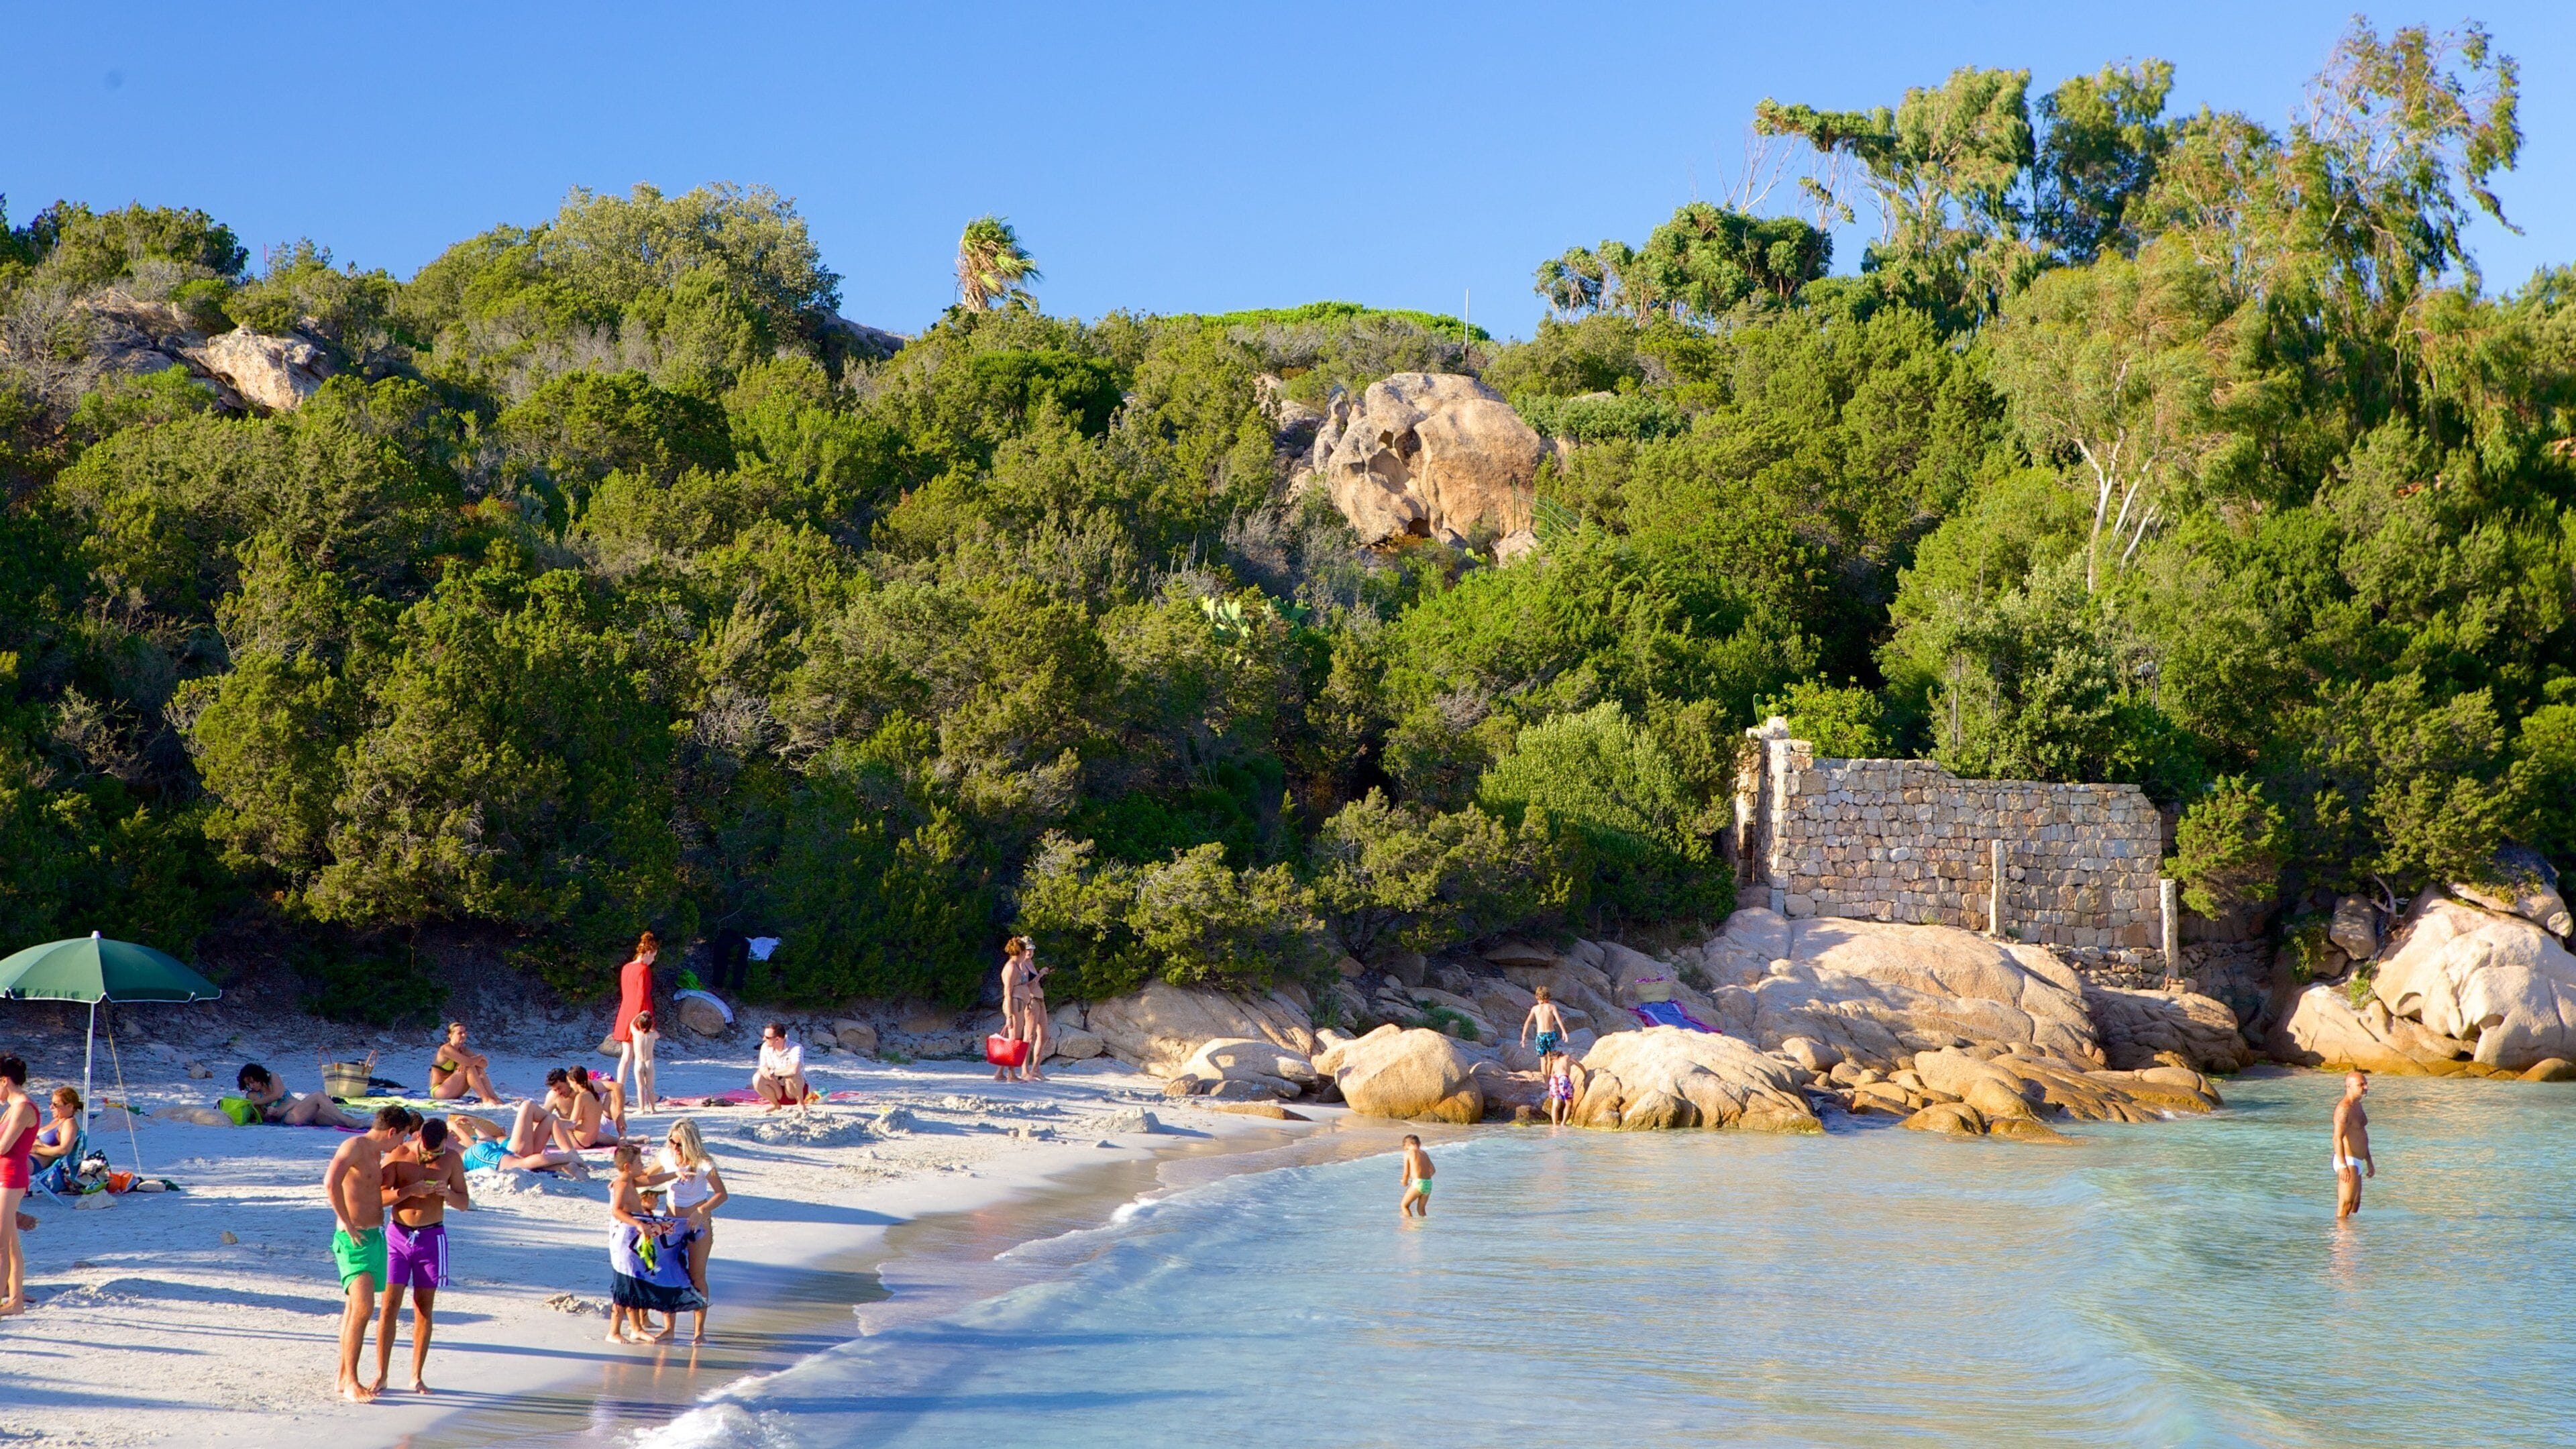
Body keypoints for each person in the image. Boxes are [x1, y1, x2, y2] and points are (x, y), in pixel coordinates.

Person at [375, 1114, 470, 1395]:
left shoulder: (452, 1160)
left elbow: (464, 1202)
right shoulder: (399, 1154)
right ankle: (381, 1374)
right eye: (429, 1153)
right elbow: (379, 1197)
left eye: (438, 1151)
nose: (432, 1158)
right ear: (418, 1138)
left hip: (432, 1237)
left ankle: (416, 1376)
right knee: (389, 1306)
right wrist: (409, 1190)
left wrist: (447, 1195)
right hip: (398, 1236)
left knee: (423, 1307)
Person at [324, 1106, 408, 1401]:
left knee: (352, 1310)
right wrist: (346, 1223)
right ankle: (352, 1383)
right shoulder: (355, 1147)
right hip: (353, 1239)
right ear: (391, 1132)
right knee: (362, 1308)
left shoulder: (376, 1153)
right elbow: (330, 1182)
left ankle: (342, 1376)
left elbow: (370, 1192)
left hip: (374, 1237)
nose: (401, 1144)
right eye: (401, 1137)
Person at [606, 1141, 703, 1344]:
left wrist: (676, 1174)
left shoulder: (632, 1180)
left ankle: (636, 1328)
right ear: (628, 1167)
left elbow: (651, 1179)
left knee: (635, 1284)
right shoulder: (622, 1184)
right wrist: (638, 1224)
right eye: (639, 1162)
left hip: (635, 1241)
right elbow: (616, 1211)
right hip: (624, 1240)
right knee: (624, 1286)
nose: (643, 1165)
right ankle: (614, 1331)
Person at [647, 1118, 729, 1343]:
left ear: (690, 1143)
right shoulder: (666, 1156)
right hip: (671, 1222)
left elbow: (722, 1194)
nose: (674, 1147)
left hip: (697, 1224)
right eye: (672, 1142)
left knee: (696, 1276)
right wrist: (622, 1182)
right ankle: (669, 1329)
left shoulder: (703, 1162)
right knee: (668, 1274)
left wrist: (702, 1210)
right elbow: (645, 1177)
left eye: (679, 1144)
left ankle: (699, 1332)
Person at [0, 1055, 36, 1316]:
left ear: (4, 1081)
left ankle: (13, 1300)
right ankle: (15, 1299)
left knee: (2, 1244)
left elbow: (4, 1146)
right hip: (6, 1176)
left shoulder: (23, 1107)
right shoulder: (14, 1107)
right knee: (10, 1243)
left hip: (10, 1178)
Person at [612, 932, 658, 1124]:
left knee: (626, 1057)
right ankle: (646, 1099)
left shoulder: (626, 968)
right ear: (648, 952)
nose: (654, 959)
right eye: (654, 955)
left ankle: (618, 1092)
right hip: (639, 1011)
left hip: (625, 1010)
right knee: (641, 1057)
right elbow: (643, 995)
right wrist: (645, 1018)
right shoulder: (644, 969)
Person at [239, 1063, 359, 1129]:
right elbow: (263, 1118)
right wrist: (268, 1114)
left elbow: (278, 1094)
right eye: (248, 1084)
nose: (251, 1086)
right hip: (289, 1116)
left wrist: (257, 1103)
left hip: (301, 1108)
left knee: (338, 1119)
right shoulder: (252, 1095)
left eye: (253, 1082)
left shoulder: (273, 1077)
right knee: (318, 1095)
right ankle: (350, 1122)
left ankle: (366, 1124)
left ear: (259, 1077)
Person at [492, 1097, 589, 1178]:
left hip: (523, 1154)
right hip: (513, 1153)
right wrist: (495, 1134)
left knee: (552, 1119)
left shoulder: (497, 1140)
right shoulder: (494, 1139)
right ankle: (571, 1154)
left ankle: (570, 1157)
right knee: (527, 1105)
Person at [425, 1023, 504, 1105]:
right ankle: (485, 1098)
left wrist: (474, 1061)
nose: (464, 1035)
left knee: (477, 1068)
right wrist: (480, 1056)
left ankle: (493, 1097)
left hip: (454, 1089)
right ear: (450, 1035)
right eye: (460, 1033)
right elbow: (469, 1063)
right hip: (439, 1091)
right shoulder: (446, 1049)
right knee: (469, 1067)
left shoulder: (464, 1050)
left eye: (465, 1032)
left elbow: (484, 1065)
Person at [2333, 1069, 2375, 1219]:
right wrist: (2343, 1166)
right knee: (2345, 1205)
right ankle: (2340, 1241)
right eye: (2361, 1084)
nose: (2366, 1087)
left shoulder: (2358, 1106)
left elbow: (2362, 1135)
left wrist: (2369, 1161)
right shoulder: (2344, 1109)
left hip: (2358, 1159)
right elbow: (2337, 1138)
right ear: (2349, 1086)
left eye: (2366, 1084)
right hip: (2347, 1160)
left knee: (2354, 1207)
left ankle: (2349, 1237)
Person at [1010, 938, 1052, 1083]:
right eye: (1027, 949)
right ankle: (1024, 1070)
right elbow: (1026, 984)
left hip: (1040, 999)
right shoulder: (1020, 965)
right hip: (1031, 1000)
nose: (1029, 952)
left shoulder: (1030, 963)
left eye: (1032, 949)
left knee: (1044, 1035)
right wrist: (1040, 975)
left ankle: (1036, 1068)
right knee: (1029, 1036)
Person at [29, 1086, 85, 1193]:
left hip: (34, 1162)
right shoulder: (56, 1121)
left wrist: (37, 1150)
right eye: (51, 1103)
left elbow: (64, 1150)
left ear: (69, 1106)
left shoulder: (69, 1123)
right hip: (27, 1157)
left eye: (55, 1105)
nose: (51, 1107)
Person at [545, 1069, 619, 1149]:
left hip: (595, 1129)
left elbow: (617, 1087)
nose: (558, 1092)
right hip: (583, 1134)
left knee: (613, 1094)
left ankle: (622, 1137)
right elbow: (542, 1117)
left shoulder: (585, 1087)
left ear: (568, 1081)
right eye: (555, 1090)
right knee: (547, 1120)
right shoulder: (553, 1096)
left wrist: (621, 1122)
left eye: (559, 1088)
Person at [753, 1023, 810, 1109]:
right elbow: (763, 1067)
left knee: (792, 1075)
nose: (764, 1039)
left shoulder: (796, 1048)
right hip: (777, 1088)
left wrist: (773, 1072)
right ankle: (776, 1104)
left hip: (795, 1091)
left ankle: (800, 1104)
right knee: (757, 1078)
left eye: (767, 1037)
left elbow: (795, 1069)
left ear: (777, 1039)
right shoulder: (765, 1047)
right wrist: (766, 1072)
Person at [1519, 986, 1568, 1061]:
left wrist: (1524, 1036)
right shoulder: (1552, 1007)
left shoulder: (1535, 1008)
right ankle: (1551, 1072)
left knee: (1543, 1060)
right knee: (1552, 1058)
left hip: (1540, 1035)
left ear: (1537, 997)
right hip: (1550, 1034)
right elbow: (1559, 1020)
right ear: (1548, 997)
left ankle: (1544, 1073)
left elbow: (1528, 1022)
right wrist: (1564, 1032)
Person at [627, 1010, 661, 1114]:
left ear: (640, 1024)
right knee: (650, 1087)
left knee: (640, 1087)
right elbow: (658, 1035)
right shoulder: (653, 1035)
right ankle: (652, 1109)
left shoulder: (637, 1034)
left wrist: (640, 1015)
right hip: (649, 1063)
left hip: (639, 1063)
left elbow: (631, 1024)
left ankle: (642, 1109)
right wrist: (650, 1025)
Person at [1397, 1134, 1435, 1219]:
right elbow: (1433, 1170)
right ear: (1419, 1143)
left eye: (1406, 1149)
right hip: (1429, 1183)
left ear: (1407, 1145)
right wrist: (1424, 1177)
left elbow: (1406, 1173)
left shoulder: (1409, 1154)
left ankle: (1409, 1226)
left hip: (1418, 1183)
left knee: (1404, 1205)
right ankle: (1424, 1228)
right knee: (1421, 1210)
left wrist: (1404, 1182)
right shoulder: (1424, 1154)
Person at [1542, 1051, 1575, 1127]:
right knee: (1568, 1103)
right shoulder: (1567, 1057)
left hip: (1554, 1079)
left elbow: (1551, 1074)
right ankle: (1563, 1123)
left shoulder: (1554, 1062)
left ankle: (1554, 1125)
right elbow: (1579, 1065)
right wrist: (1585, 1073)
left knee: (1555, 1105)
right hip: (1563, 1079)